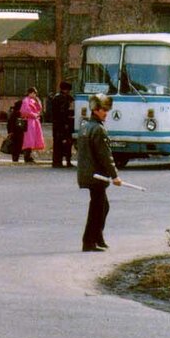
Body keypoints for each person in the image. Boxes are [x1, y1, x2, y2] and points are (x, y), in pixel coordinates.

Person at [76, 93, 121, 251]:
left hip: (88, 173)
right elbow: (105, 156)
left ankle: (98, 237)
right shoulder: (99, 130)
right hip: (97, 175)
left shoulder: (85, 127)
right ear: (95, 110)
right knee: (97, 208)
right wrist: (115, 176)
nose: (106, 113)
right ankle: (89, 242)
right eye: (103, 110)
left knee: (103, 206)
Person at [49, 81, 75, 168]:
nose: (68, 91)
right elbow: (61, 113)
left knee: (63, 143)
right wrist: (66, 122)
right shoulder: (61, 99)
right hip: (61, 124)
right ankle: (62, 161)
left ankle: (61, 161)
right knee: (62, 143)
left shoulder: (62, 98)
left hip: (61, 124)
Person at [18, 87, 45, 163]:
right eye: (33, 93)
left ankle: (29, 155)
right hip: (29, 121)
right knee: (29, 139)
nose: (34, 95)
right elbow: (25, 111)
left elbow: (39, 109)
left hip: (34, 121)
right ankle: (27, 155)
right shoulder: (26, 100)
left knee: (32, 139)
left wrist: (38, 101)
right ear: (30, 93)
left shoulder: (33, 100)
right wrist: (34, 115)